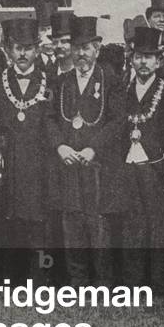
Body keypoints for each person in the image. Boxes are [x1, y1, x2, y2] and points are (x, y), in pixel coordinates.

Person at [46, 16, 124, 287]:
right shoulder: (62, 82)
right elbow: (50, 119)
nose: (81, 53)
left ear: (97, 49)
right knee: (72, 221)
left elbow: (118, 121)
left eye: (87, 47)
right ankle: (77, 282)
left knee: (97, 223)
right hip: (68, 163)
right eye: (77, 47)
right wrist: (60, 145)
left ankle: (104, 282)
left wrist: (94, 148)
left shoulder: (111, 79)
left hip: (97, 165)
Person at [0, 17, 53, 283]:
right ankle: (13, 277)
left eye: (28, 47)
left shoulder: (51, 81)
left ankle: (40, 277)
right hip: (12, 160)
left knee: (39, 219)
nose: (23, 53)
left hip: (41, 161)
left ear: (37, 50)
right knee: (11, 218)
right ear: (8, 50)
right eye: (17, 47)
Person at [118, 26, 164, 289]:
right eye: (138, 56)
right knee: (133, 223)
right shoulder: (124, 90)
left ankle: (158, 283)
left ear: (158, 61)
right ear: (132, 60)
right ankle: (134, 282)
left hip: (155, 165)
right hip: (128, 163)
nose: (143, 62)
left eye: (149, 57)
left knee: (158, 224)